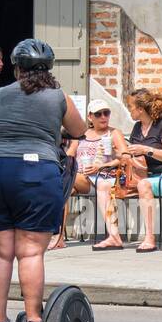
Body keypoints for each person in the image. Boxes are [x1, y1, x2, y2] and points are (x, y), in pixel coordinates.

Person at [0, 39, 87, 322]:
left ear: (18, 67)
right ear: (48, 69)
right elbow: (79, 130)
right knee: (30, 251)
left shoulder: (1, 95)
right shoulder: (58, 97)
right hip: (33, 172)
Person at [59, 99, 130, 251]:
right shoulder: (82, 133)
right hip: (82, 179)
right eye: (99, 114)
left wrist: (101, 165)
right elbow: (71, 153)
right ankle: (59, 237)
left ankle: (56, 238)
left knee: (63, 181)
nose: (103, 117)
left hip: (104, 177)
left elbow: (125, 157)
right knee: (61, 190)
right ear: (90, 117)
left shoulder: (114, 133)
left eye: (106, 113)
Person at [120, 87, 162, 253]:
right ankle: (113, 237)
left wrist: (146, 149)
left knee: (144, 185)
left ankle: (150, 238)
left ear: (140, 109)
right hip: (144, 177)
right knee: (107, 185)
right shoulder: (138, 127)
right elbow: (133, 154)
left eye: (130, 106)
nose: (129, 110)